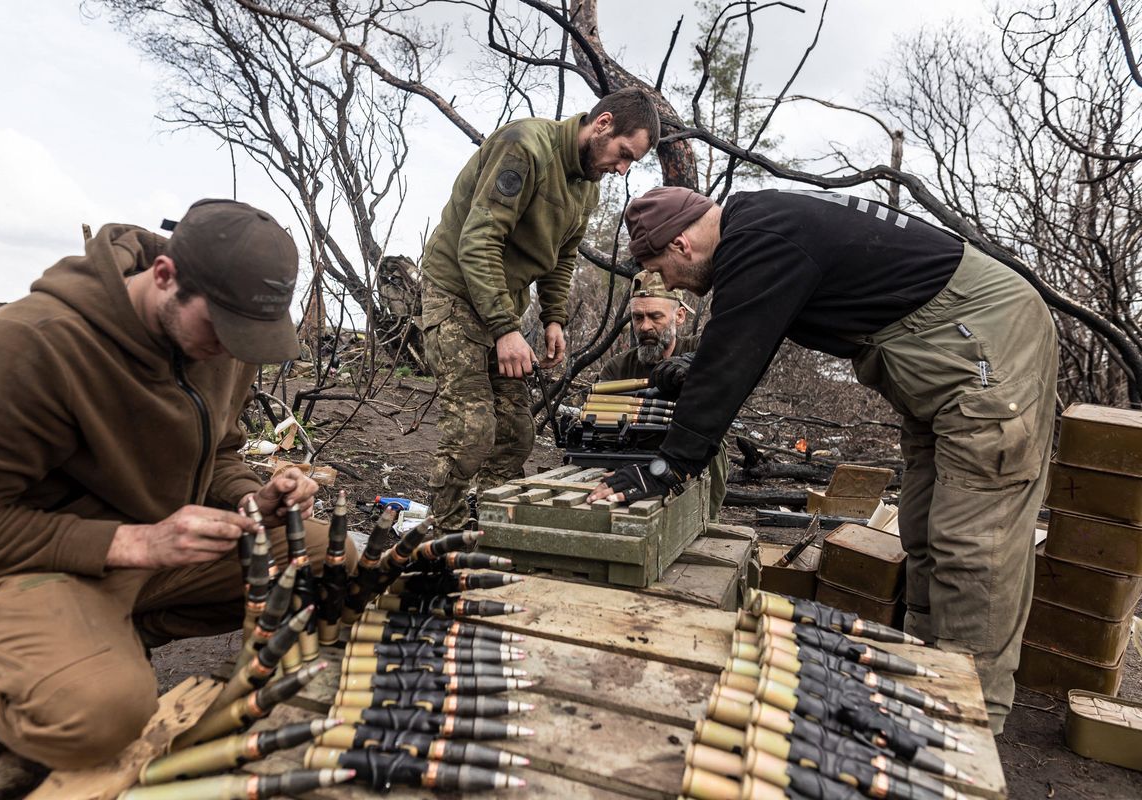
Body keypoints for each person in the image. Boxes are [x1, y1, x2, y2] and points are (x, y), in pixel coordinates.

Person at [590, 186, 1057, 734]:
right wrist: (695, 370)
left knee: (973, 542)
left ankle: (967, 721)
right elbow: (744, 339)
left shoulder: (759, 238)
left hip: (986, 349)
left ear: (681, 243)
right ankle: (933, 675)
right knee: (926, 527)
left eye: (659, 267)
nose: (665, 282)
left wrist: (668, 469)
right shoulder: (760, 229)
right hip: (942, 366)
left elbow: (735, 356)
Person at [0, 199, 327, 799]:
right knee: (100, 716)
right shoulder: (27, 346)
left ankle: (112, 633)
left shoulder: (217, 341)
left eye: (248, 338)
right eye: (222, 332)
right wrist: (134, 542)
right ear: (165, 276)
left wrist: (254, 495)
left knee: (325, 562)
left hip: (151, 551)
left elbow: (221, 449)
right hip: (13, 562)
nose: (231, 350)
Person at [420, 88, 661, 535]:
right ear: (603, 124)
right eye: (624, 154)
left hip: (501, 303)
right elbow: (478, 241)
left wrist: (554, 318)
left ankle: (492, 525)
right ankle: (444, 532)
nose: (622, 168)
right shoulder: (525, 146)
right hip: (454, 291)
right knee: (473, 430)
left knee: (515, 431)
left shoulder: (588, 184)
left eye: (633, 163)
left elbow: (563, 255)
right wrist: (505, 329)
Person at [597, 271, 729, 519]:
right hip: (635, 457)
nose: (644, 327)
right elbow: (603, 430)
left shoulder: (700, 348)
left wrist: (689, 366)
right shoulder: (617, 369)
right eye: (637, 317)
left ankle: (705, 519)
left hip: (691, 459)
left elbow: (730, 362)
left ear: (679, 316)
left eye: (655, 316)